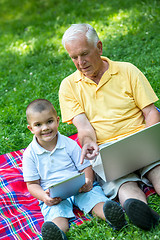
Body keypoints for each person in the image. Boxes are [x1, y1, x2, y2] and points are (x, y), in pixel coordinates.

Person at [59, 23, 160, 230]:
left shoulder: (127, 71)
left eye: (84, 54)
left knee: (158, 170)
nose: (80, 62)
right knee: (123, 185)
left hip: (140, 138)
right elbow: (84, 128)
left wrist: (151, 140)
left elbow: (150, 112)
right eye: (74, 57)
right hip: (107, 150)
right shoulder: (68, 86)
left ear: (99, 47)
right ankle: (139, 211)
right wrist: (88, 143)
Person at [22, 99, 126, 240]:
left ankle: (113, 217)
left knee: (94, 200)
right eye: (38, 125)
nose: (45, 127)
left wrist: (88, 181)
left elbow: (85, 166)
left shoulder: (69, 144)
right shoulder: (30, 154)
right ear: (31, 128)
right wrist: (44, 197)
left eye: (49, 121)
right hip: (53, 194)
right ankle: (57, 233)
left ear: (57, 120)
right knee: (57, 215)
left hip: (78, 187)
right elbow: (32, 184)